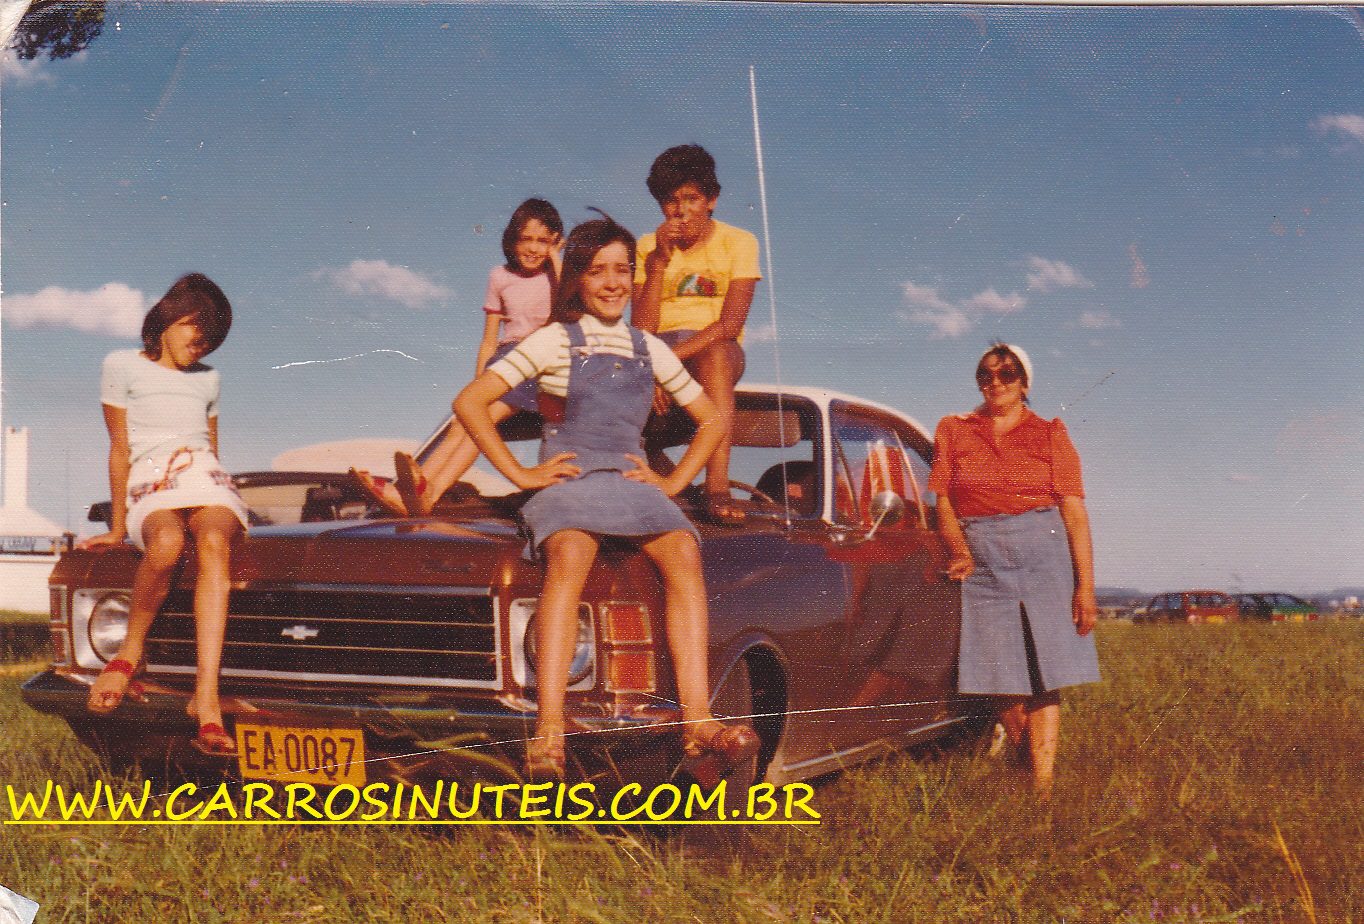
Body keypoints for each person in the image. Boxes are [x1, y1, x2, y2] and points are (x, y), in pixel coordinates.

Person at [455, 213, 760, 780]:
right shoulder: (553, 339)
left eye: (623, 270)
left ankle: (697, 718)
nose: (613, 282)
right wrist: (521, 475)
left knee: (684, 553)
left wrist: (671, 482)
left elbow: (712, 420)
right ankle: (549, 728)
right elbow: (471, 402)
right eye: (598, 272)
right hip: (569, 479)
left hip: (628, 480)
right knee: (571, 554)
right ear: (577, 279)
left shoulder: (649, 347)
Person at [82, 273, 248, 758]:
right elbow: (119, 449)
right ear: (168, 320)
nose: (202, 348)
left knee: (214, 544)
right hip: (150, 480)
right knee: (168, 544)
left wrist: (216, 487)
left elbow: (211, 448)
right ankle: (129, 653)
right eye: (197, 335)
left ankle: (208, 699)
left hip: (205, 476)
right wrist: (116, 526)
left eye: (211, 342)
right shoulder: (120, 365)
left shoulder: (210, 379)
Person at [928, 344, 1101, 799]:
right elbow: (943, 499)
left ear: (1025, 382)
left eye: (1007, 374)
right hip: (982, 556)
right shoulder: (954, 429)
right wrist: (958, 548)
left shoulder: (1050, 433)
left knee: (1046, 674)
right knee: (999, 674)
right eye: (986, 374)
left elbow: (1075, 513)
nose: (995, 382)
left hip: (1043, 552)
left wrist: (1085, 587)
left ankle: (1041, 788)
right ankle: (1022, 753)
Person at [351, 198, 563, 516]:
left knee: (483, 420)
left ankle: (424, 490)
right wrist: (478, 382)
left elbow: (569, 309)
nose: (533, 248)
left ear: (555, 242)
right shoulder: (499, 276)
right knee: (462, 421)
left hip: (537, 361)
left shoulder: (557, 277)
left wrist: (557, 258)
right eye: (526, 238)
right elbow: (489, 338)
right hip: (505, 358)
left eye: (543, 241)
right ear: (513, 240)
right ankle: (421, 492)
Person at [632, 144, 761, 524]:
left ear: (712, 200)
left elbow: (730, 324)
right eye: (671, 201)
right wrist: (658, 261)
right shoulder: (645, 246)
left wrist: (666, 364)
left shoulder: (739, 241)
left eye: (692, 198)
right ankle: (661, 478)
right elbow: (641, 328)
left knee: (717, 353)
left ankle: (716, 485)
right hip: (657, 347)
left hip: (711, 347)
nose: (682, 210)